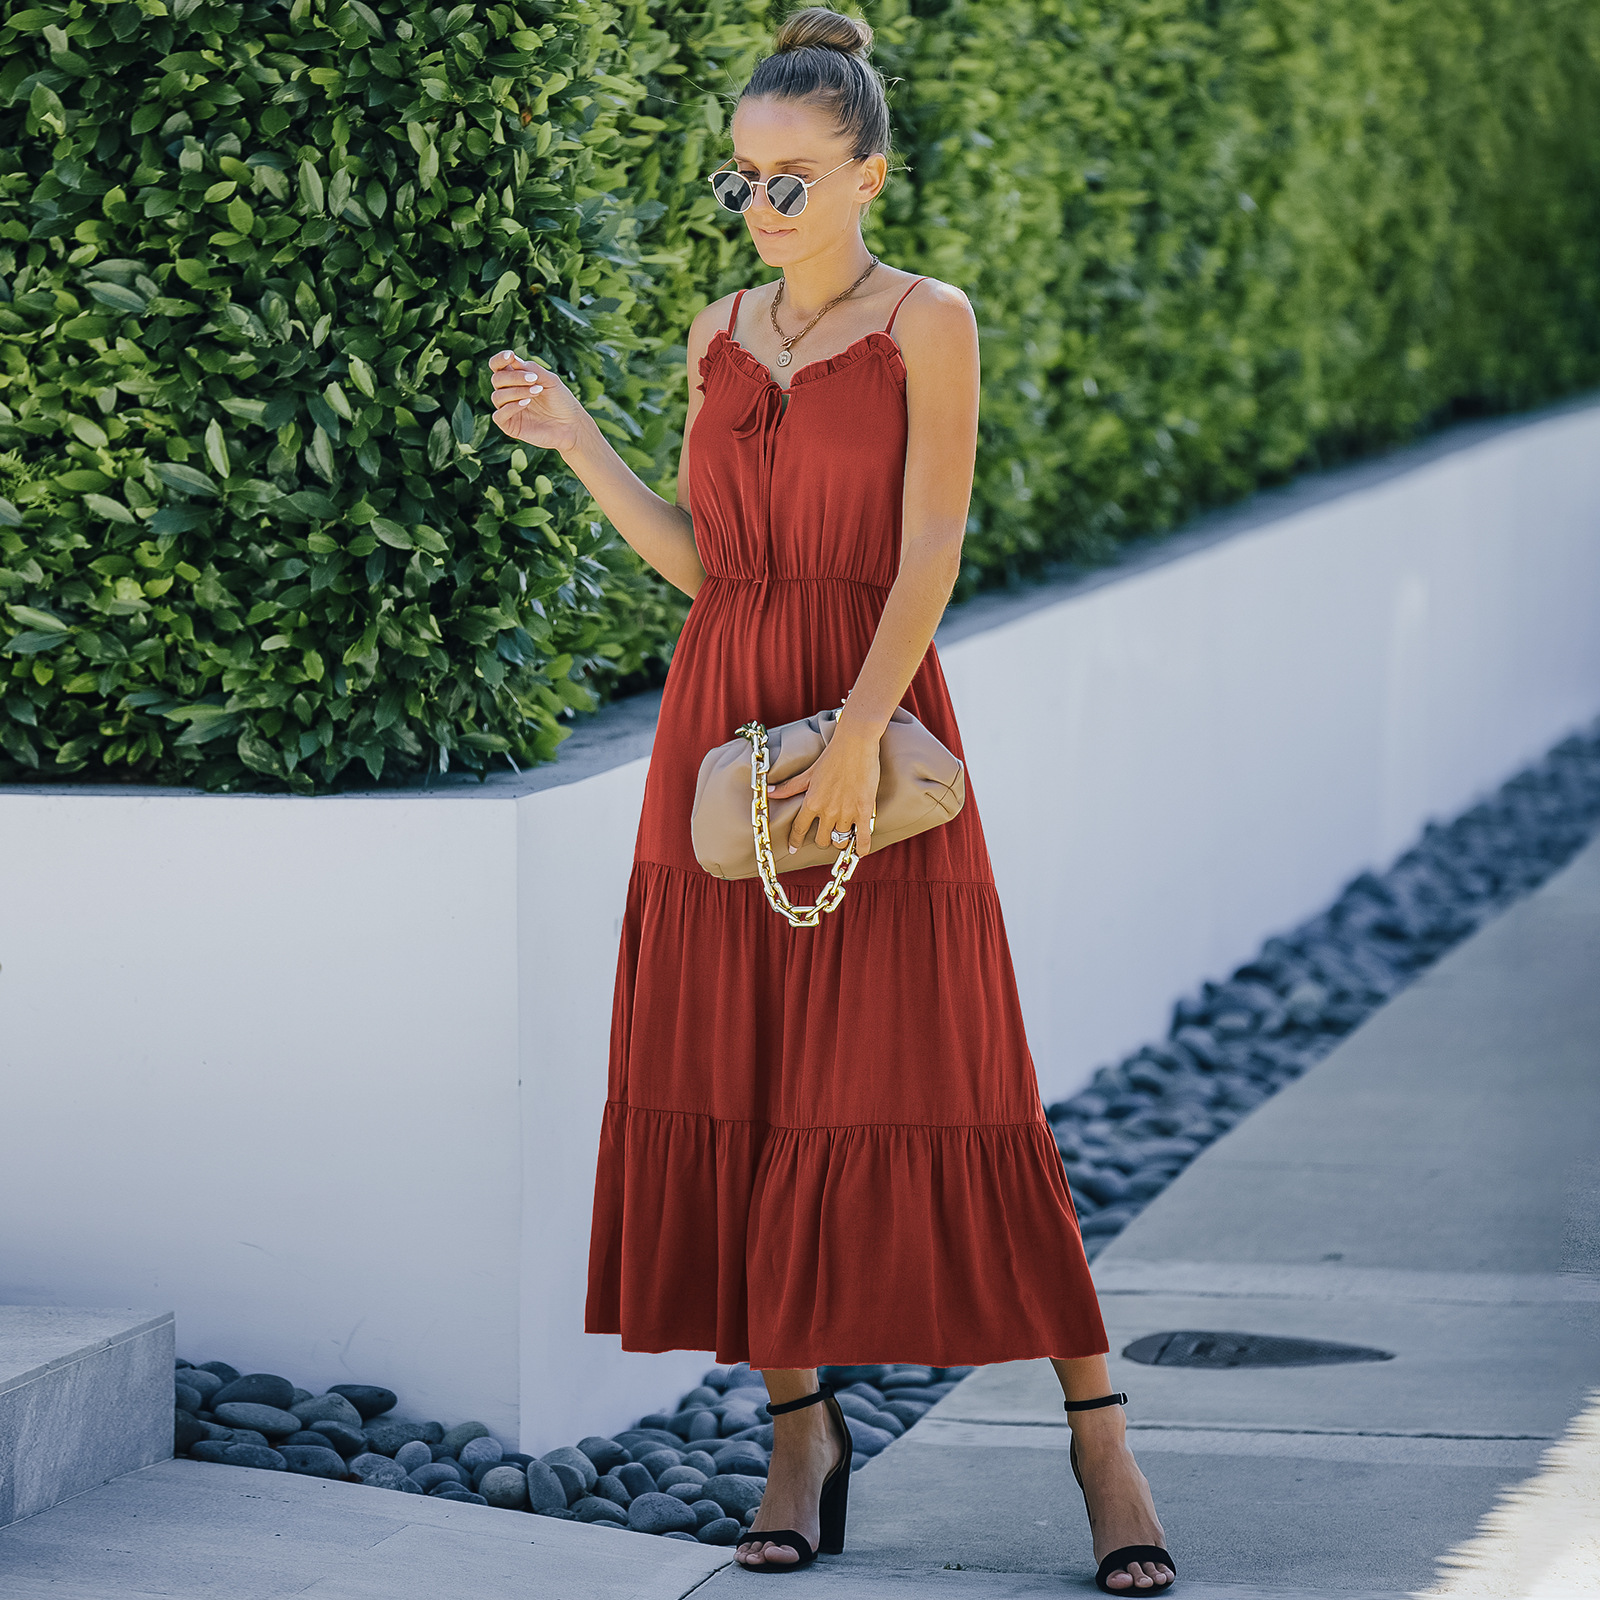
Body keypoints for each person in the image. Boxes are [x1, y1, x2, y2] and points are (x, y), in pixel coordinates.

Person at [487, 7, 1176, 1590]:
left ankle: (1104, 1443)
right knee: (742, 1074)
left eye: (791, 179)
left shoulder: (931, 319)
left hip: (878, 718)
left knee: (959, 1077)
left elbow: (932, 546)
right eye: (741, 179)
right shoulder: (718, 331)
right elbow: (709, 566)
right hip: (723, 732)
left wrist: (862, 734)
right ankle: (801, 1432)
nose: (761, 206)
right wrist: (575, 438)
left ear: (870, 173)